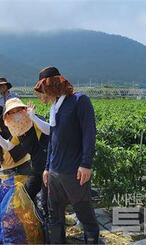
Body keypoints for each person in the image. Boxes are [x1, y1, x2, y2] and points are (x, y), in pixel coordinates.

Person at [35, 66, 99, 243]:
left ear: (53, 85)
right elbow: (52, 140)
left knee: (86, 217)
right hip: (55, 173)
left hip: (73, 172)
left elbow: (89, 133)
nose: (43, 95)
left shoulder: (79, 101)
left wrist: (86, 164)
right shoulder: (55, 107)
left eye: (44, 90)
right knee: (55, 217)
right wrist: (47, 168)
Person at [0, 98, 50, 212]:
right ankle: (35, 222)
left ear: (24, 109)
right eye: (12, 112)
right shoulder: (18, 130)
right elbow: (8, 146)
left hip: (49, 166)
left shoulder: (35, 121)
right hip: (37, 167)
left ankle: (49, 227)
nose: (16, 114)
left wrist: (33, 117)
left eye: (18, 110)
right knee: (26, 194)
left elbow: (50, 130)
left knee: (47, 201)